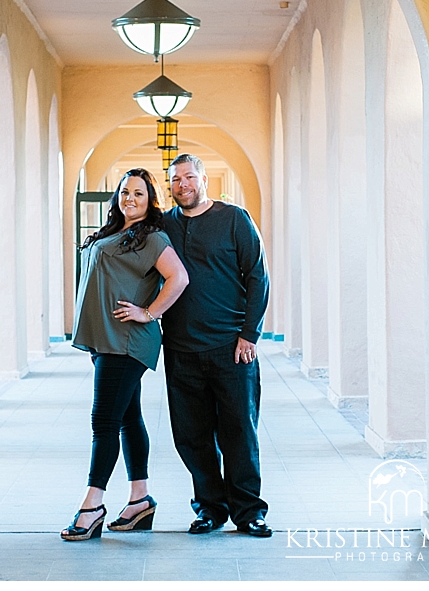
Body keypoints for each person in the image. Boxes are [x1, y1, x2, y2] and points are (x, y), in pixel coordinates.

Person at [62, 168, 189, 541]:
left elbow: (179, 277)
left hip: (127, 341)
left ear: (150, 201)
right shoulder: (114, 233)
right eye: (124, 192)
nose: (130, 198)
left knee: (103, 421)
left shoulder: (152, 238)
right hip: (108, 341)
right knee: (128, 419)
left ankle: (92, 506)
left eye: (138, 193)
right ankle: (139, 500)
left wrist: (148, 313)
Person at [161, 153, 273, 538]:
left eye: (189, 177)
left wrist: (250, 334)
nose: (183, 185)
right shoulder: (165, 225)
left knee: (239, 431)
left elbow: (258, 277)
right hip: (181, 349)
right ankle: (210, 509)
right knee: (192, 436)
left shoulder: (235, 219)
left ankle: (249, 512)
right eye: (176, 180)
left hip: (231, 348)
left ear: (204, 179)